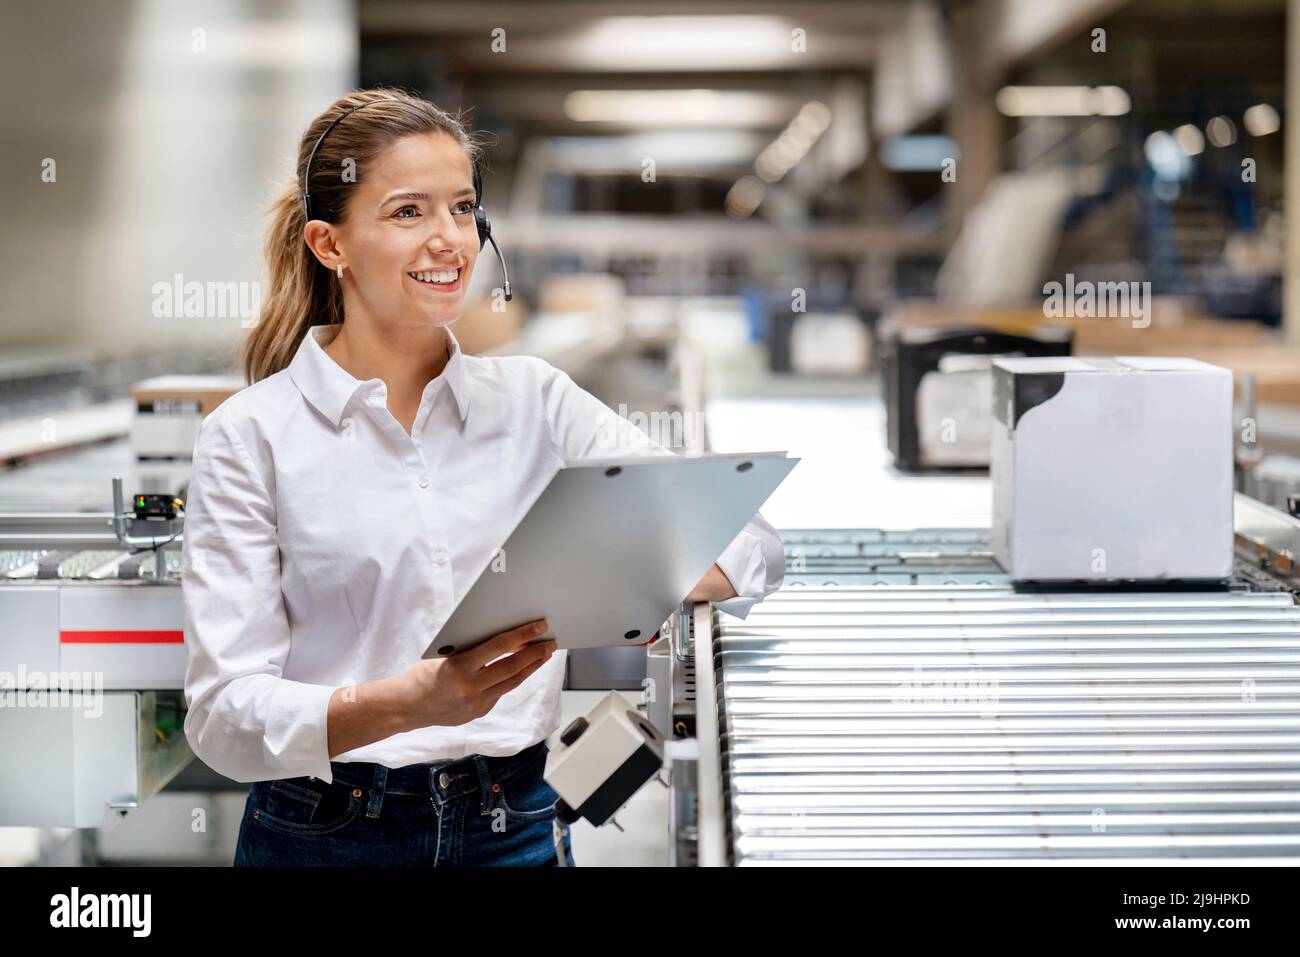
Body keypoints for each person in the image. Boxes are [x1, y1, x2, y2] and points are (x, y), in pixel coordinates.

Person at [180, 88, 785, 867]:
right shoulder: (250, 436)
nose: (449, 240)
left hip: (517, 821)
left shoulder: (536, 403)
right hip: (325, 832)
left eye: (462, 208)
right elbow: (224, 716)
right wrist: (404, 705)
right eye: (408, 213)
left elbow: (758, 545)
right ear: (329, 244)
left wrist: (640, 569)